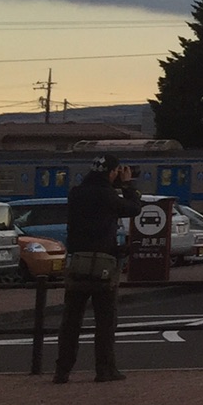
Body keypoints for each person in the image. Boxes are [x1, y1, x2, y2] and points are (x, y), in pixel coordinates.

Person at [54, 155, 144, 384]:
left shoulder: (76, 193)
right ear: (112, 172)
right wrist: (127, 184)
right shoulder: (108, 195)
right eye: (117, 171)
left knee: (71, 320)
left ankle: (62, 371)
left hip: (77, 262)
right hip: (103, 263)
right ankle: (104, 370)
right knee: (105, 320)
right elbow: (134, 209)